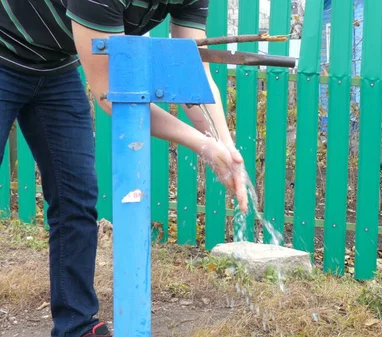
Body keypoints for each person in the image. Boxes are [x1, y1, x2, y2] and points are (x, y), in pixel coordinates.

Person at [0, 0, 247, 336]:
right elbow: (111, 96)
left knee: (77, 198)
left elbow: (192, 74)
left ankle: (76, 326)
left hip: (55, 67)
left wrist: (225, 146)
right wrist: (202, 144)